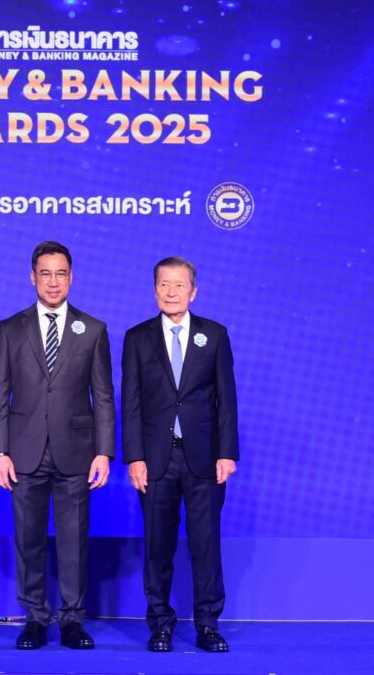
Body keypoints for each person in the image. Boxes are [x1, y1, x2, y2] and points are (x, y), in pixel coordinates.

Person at [0, 241, 115, 650]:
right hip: (23, 452)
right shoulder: (10, 329)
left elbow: (103, 396)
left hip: (76, 451)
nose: (53, 282)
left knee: (74, 539)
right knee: (28, 540)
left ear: (71, 278)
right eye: (46, 273)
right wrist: (0, 452)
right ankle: (36, 619)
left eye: (61, 273)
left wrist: (104, 451)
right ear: (32, 277)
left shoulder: (93, 329)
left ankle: (73, 620)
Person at [121, 256, 240, 653]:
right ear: (154, 289)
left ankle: (208, 625)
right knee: (158, 546)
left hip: (204, 459)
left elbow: (226, 400)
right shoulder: (137, 337)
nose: (171, 292)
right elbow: (131, 403)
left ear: (193, 292)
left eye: (179, 285)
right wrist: (134, 457)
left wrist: (227, 452)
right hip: (156, 460)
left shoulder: (214, 335)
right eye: (164, 285)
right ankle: (160, 624)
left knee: (205, 544)